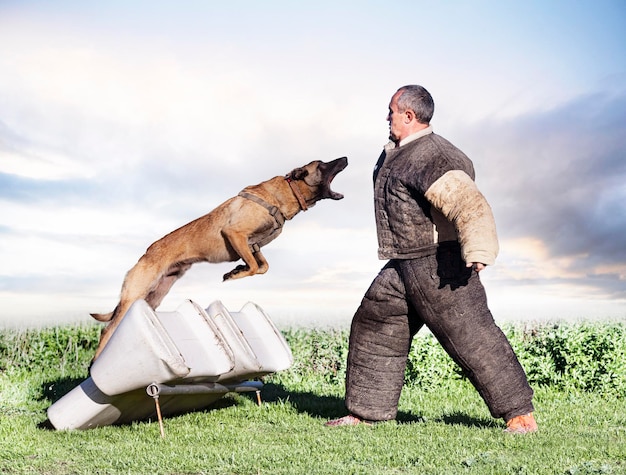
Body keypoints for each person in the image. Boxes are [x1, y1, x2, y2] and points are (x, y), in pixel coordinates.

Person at [326, 85, 537, 434]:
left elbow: (469, 203)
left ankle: (519, 414)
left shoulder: (433, 154)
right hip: (404, 262)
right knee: (374, 323)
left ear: (408, 116)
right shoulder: (401, 151)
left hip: (441, 264)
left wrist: (479, 249)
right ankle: (367, 412)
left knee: (473, 337)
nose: (387, 116)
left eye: (391, 110)